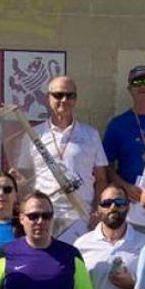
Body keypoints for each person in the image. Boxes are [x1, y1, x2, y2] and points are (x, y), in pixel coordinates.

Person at [31, 75, 109, 242]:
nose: (64, 100)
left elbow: (101, 179)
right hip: (44, 217)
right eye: (58, 95)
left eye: (70, 95)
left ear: (75, 99)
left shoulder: (91, 134)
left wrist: (97, 211)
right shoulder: (33, 135)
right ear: (48, 98)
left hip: (81, 218)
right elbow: (24, 178)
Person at [103, 63, 145, 203]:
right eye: (137, 82)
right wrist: (125, 187)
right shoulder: (117, 125)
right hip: (130, 199)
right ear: (130, 89)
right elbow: (105, 166)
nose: (143, 86)